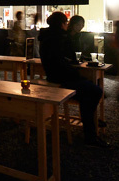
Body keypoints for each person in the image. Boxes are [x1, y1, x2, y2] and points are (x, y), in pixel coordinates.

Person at [38, 12, 108, 147]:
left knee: (91, 90)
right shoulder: (57, 38)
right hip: (60, 78)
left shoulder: (48, 36)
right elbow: (60, 63)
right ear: (62, 24)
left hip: (55, 75)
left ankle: (90, 126)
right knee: (94, 91)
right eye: (66, 22)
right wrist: (76, 74)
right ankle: (90, 133)